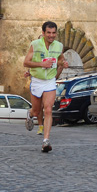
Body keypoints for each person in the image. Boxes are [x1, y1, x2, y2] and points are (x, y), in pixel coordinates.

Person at [23, 21, 69, 152]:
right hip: (37, 80)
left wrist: (63, 63)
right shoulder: (35, 45)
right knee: (37, 111)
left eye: (54, 33)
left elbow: (60, 59)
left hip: (49, 80)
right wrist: (41, 64)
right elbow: (26, 62)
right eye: (48, 33)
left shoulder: (59, 46)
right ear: (43, 33)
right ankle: (30, 114)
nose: (51, 35)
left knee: (48, 110)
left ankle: (46, 141)